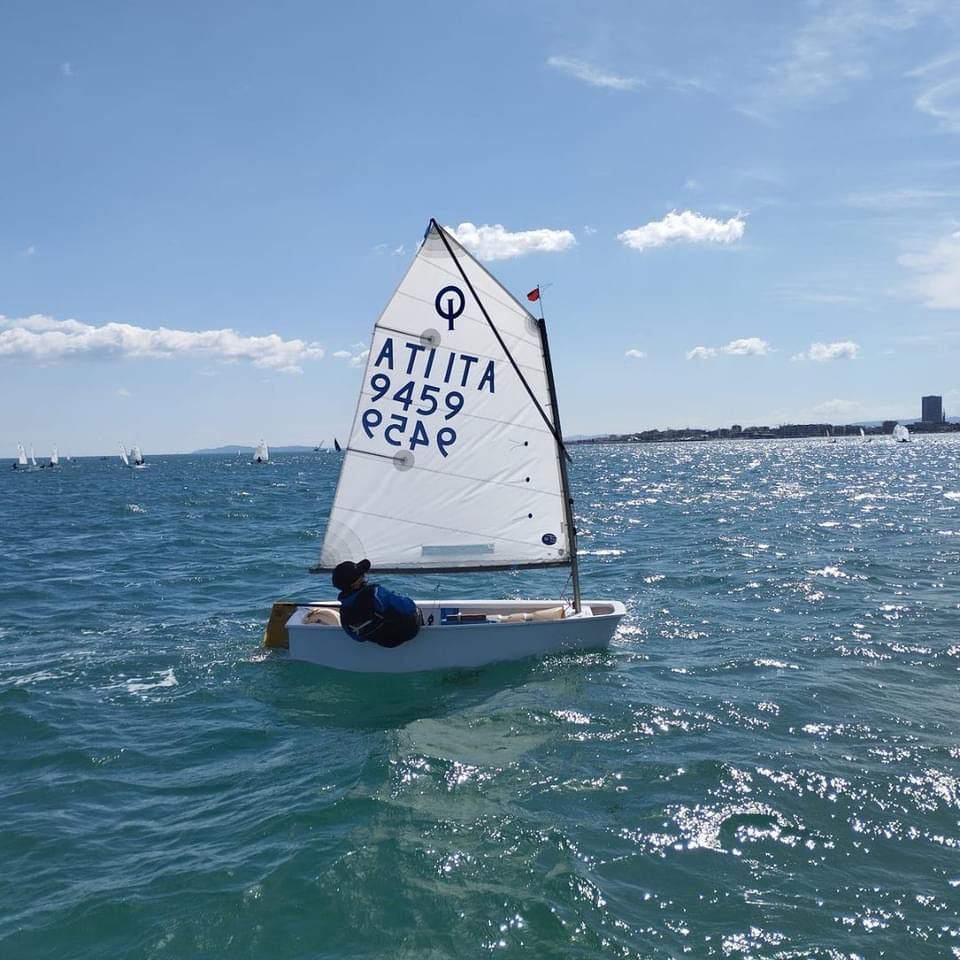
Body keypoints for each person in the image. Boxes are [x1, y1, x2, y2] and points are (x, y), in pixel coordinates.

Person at [332, 559, 420, 648]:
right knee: (416, 610)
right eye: (361, 574)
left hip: (382, 641)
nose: (363, 575)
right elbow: (409, 607)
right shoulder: (375, 593)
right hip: (406, 633)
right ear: (354, 584)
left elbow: (358, 638)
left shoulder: (344, 610)